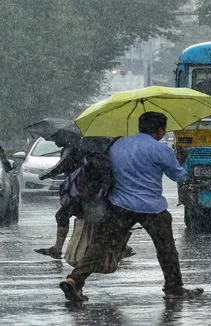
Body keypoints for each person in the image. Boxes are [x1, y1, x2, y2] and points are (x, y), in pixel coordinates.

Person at [59, 112, 203, 302]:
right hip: (153, 208)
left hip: (120, 205)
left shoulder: (117, 145)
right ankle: (174, 288)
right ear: (159, 131)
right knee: (166, 249)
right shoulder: (160, 150)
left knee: (101, 246)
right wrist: (182, 161)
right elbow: (179, 176)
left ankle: (75, 280)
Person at [34, 141, 88, 259]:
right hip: (88, 189)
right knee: (93, 217)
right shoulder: (87, 147)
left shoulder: (73, 148)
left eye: (56, 140)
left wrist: (44, 174)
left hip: (79, 190)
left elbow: (61, 166)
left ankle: (58, 249)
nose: (55, 142)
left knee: (63, 215)